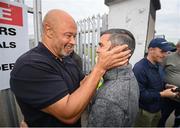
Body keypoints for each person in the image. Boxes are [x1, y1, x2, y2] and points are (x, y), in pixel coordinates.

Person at [10, 9, 131, 127]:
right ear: (49, 31)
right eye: (68, 35)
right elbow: (69, 115)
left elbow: (83, 83)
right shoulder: (30, 65)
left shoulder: (66, 58)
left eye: (74, 36)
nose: (73, 42)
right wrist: (100, 68)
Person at [87, 28, 139, 127]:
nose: (97, 50)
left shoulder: (108, 99)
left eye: (101, 45)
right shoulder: (129, 75)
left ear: (119, 51)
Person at [133, 38, 178, 127]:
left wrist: (166, 85)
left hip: (158, 108)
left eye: (166, 52)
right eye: (162, 51)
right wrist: (163, 94)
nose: (165, 55)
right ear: (151, 50)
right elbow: (140, 95)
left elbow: (158, 81)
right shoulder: (139, 68)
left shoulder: (159, 64)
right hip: (145, 112)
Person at [158, 40, 180, 127]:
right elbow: (158, 71)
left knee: (178, 120)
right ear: (178, 47)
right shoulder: (168, 57)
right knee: (162, 117)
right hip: (169, 95)